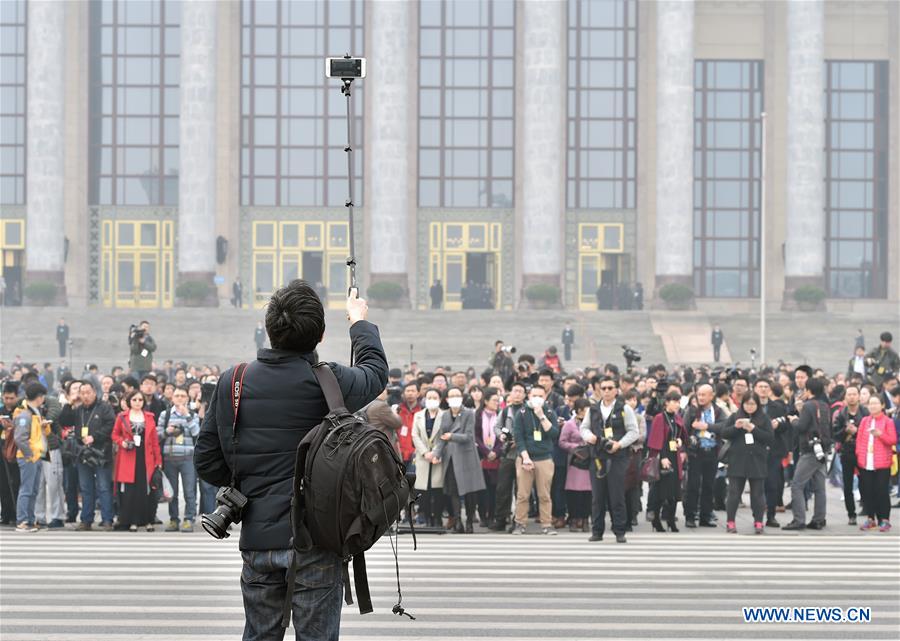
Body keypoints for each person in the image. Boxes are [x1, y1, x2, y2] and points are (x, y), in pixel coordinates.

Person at [194, 281, 386, 641]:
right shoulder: (328, 380)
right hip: (315, 538)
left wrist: (246, 485)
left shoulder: (233, 382)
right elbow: (375, 373)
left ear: (269, 329)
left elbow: (206, 460)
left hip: (258, 540)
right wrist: (358, 321)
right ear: (320, 334)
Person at [581, 377, 639, 543]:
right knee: (597, 496)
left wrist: (619, 444)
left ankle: (619, 530)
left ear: (616, 390)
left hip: (617, 457)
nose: (606, 391)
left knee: (617, 494)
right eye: (603, 388)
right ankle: (597, 531)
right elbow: (583, 428)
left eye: (610, 388)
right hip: (597, 457)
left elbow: (633, 432)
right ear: (599, 390)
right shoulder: (592, 409)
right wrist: (589, 437)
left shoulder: (624, 409)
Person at [433, 387, 485, 533]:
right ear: (447, 400)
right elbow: (442, 438)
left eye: (457, 395)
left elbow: (468, 436)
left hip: (467, 456)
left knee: (469, 492)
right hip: (451, 458)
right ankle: (457, 521)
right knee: (453, 492)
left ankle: (469, 521)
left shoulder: (469, 413)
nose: (455, 398)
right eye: (452, 396)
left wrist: (452, 436)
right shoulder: (445, 415)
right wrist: (437, 453)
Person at [721, 392, 773, 534]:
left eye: (752, 404)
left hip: (757, 461)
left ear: (757, 405)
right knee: (734, 493)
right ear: (742, 404)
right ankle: (730, 522)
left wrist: (753, 429)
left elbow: (769, 438)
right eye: (747, 404)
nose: (749, 407)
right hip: (737, 460)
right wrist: (736, 427)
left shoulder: (764, 418)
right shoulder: (735, 416)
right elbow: (724, 433)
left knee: (757, 494)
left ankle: (758, 521)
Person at [784, 378, 832, 530]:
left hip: (810, 450)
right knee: (819, 487)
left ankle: (798, 520)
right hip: (822, 449)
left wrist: (794, 420)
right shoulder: (824, 405)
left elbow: (802, 426)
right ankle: (819, 519)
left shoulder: (809, 405)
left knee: (797, 485)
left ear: (809, 390)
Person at [512, 385, 559, 535]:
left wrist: (541, 416)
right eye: (534, 395)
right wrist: (525, 458)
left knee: (544, 494)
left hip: (544, 458)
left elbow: (553, 434)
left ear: (545, 397)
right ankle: (520, 523)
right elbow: (518, 438)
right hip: (526, 458)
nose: (537, 398)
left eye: (540, 395)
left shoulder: (550, 412)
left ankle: (547, 524)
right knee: (523, 494)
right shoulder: (521, 413)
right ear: (529, 396)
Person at [112, 391, 162, 531]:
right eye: (134, 399)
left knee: (146, 491)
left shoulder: (149, 417)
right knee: (130, 492)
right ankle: (132, 521)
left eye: (140, 399)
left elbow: (154, 441)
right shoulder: (122, 417)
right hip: (128, 456)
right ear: (129, 401)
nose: (138, 402)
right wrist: (122, 442)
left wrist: (158, 460)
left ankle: (147, 520)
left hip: (146, 458)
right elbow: (114, 434)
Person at [681, 383, 726, 527]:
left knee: (708, 485)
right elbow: (684, 430)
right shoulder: (692, 411)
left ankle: (705, 516)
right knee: (693, 485)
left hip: (712, 452)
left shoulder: (718, 411)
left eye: (703, 395)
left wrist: (707, 427)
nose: (700, 397)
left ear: (711, 396)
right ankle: (690, 516)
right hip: (696, 453)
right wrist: (685, 450)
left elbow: (724, 427)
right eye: (698, 394)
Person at [74, 381, 117, 531]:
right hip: (83, 453)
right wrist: (68, 403)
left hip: (101, 453)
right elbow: (65, 421)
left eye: (88, 392)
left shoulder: (104, 407)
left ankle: (107, 519)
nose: (85, 396)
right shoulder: (78, 410)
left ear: (95, 393)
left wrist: (95, 437)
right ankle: (86, 520)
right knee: (86, 488)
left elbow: (111, 425)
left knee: (104, 487)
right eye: (82, 393)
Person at [158, 386, 201, 532]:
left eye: (183, 396)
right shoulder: (166, 414)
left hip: (188, 458)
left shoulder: (193, 415)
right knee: (172, 492)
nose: (180, 398)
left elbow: (197, 434)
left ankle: (189, 519)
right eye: (177, 396)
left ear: (187, 398)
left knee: (189, 491)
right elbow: (158, 436)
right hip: (170, 457)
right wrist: (167, 431)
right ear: (172, 398)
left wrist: (187, 416)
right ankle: (173, 519)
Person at [646, 391, 687, 532]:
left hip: (675, 455)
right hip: (663, 456)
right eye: (674, 401)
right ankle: (656, 520)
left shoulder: (677, 417)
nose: (676, 404)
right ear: (666, 402)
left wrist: (681, 440)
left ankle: (671, 520)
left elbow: (681, 434)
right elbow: (656, 439)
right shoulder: (659, 418)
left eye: (678, 401)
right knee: (660, 491)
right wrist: (662, 457)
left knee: (674, 491)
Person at [12, 383, 50, 532]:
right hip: (28, 457)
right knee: (26, 489)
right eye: (43, 396)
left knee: (33, 490)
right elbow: (20, 438)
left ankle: (29, 519)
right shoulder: (24, 414)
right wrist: (29, 455)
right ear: (39, 397)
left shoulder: (35, 412)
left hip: (37, 456)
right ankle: (22, 521)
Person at [856, 395, 897, 532]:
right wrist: (859, 457)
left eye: (875, 403)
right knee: (868, 491)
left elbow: (892, 440)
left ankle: (884, 519)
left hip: (882, 462)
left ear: (882, 405)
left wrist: (880, 435)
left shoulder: (887, 421)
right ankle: (870, 518)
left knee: (881, 491)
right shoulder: (864, 421)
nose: (872, 406)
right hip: (866, 461)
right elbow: (860, 440)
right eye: (870, 404)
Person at [490, 382, 525, 531]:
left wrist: (520, 441)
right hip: (507, 455)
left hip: (523, 455)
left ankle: (517, 520)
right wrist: (502, 436)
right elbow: (496, 427)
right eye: (515, 390)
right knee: (502, 488)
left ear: (524, 395)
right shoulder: (505, 411)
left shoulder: (527, 411)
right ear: (510, 394)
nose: (517, 394)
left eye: (520, 391)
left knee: (520, 490)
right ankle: (500, 519)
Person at [832, 385, 868, 525]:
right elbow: (835, 434)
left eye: (854, 394)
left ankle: (868, 508)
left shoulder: (865, 413)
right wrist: (846, 431)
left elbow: (869, 432)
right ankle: (851, 514)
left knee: (865, 482)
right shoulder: (841, 414)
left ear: (858, 396)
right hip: (847, 452)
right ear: (845, 397)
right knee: (847, 485)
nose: (852, 397)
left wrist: (857, 431)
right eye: (849, 394)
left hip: (863, 451)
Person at [557, 398, 592, 532]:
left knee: (588, 492)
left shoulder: (593, 424)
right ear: (578, 411)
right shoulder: (570, 424)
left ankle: (585, 519)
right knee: (574, 491)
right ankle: (574, 518)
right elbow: (562, 442)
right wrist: (577, 447)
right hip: (575, 461)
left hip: (589, 460)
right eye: (585, 411)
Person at [412, 388, 445, 527]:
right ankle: (425, 517)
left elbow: (444, 436)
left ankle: (437, 518)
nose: (432, 400)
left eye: (435, 397)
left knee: (437, 490)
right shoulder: (418, 415)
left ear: (440, 399)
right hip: (423, 457)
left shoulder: (445, 415)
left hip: (438, 457)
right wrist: (425, 452)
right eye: (429, 397)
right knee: (423, 490)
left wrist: (436, 453)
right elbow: (415, 435)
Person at [474, 387, 502, 527]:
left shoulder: (501, 415)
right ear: (486, 401)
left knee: (494, 489)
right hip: (481, 456)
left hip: (497, 457)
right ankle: (483, 515)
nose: (497, 403)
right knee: (482, 489)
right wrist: (486, 451)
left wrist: (496, 452)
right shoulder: (478, 415)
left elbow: (503, 437)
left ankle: (492, 515)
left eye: (498, 400)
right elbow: (476, 436)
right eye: (494, 400)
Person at [0, 383, 22, 526]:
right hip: (1, 451)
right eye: (6, 398)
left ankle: (16, 513)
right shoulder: (0, 411)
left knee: (15, 483)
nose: (8, 401)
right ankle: (5, 514)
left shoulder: (20, 411)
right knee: (3, 484)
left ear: (17, 397)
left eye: (11, 398)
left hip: (15, 451)